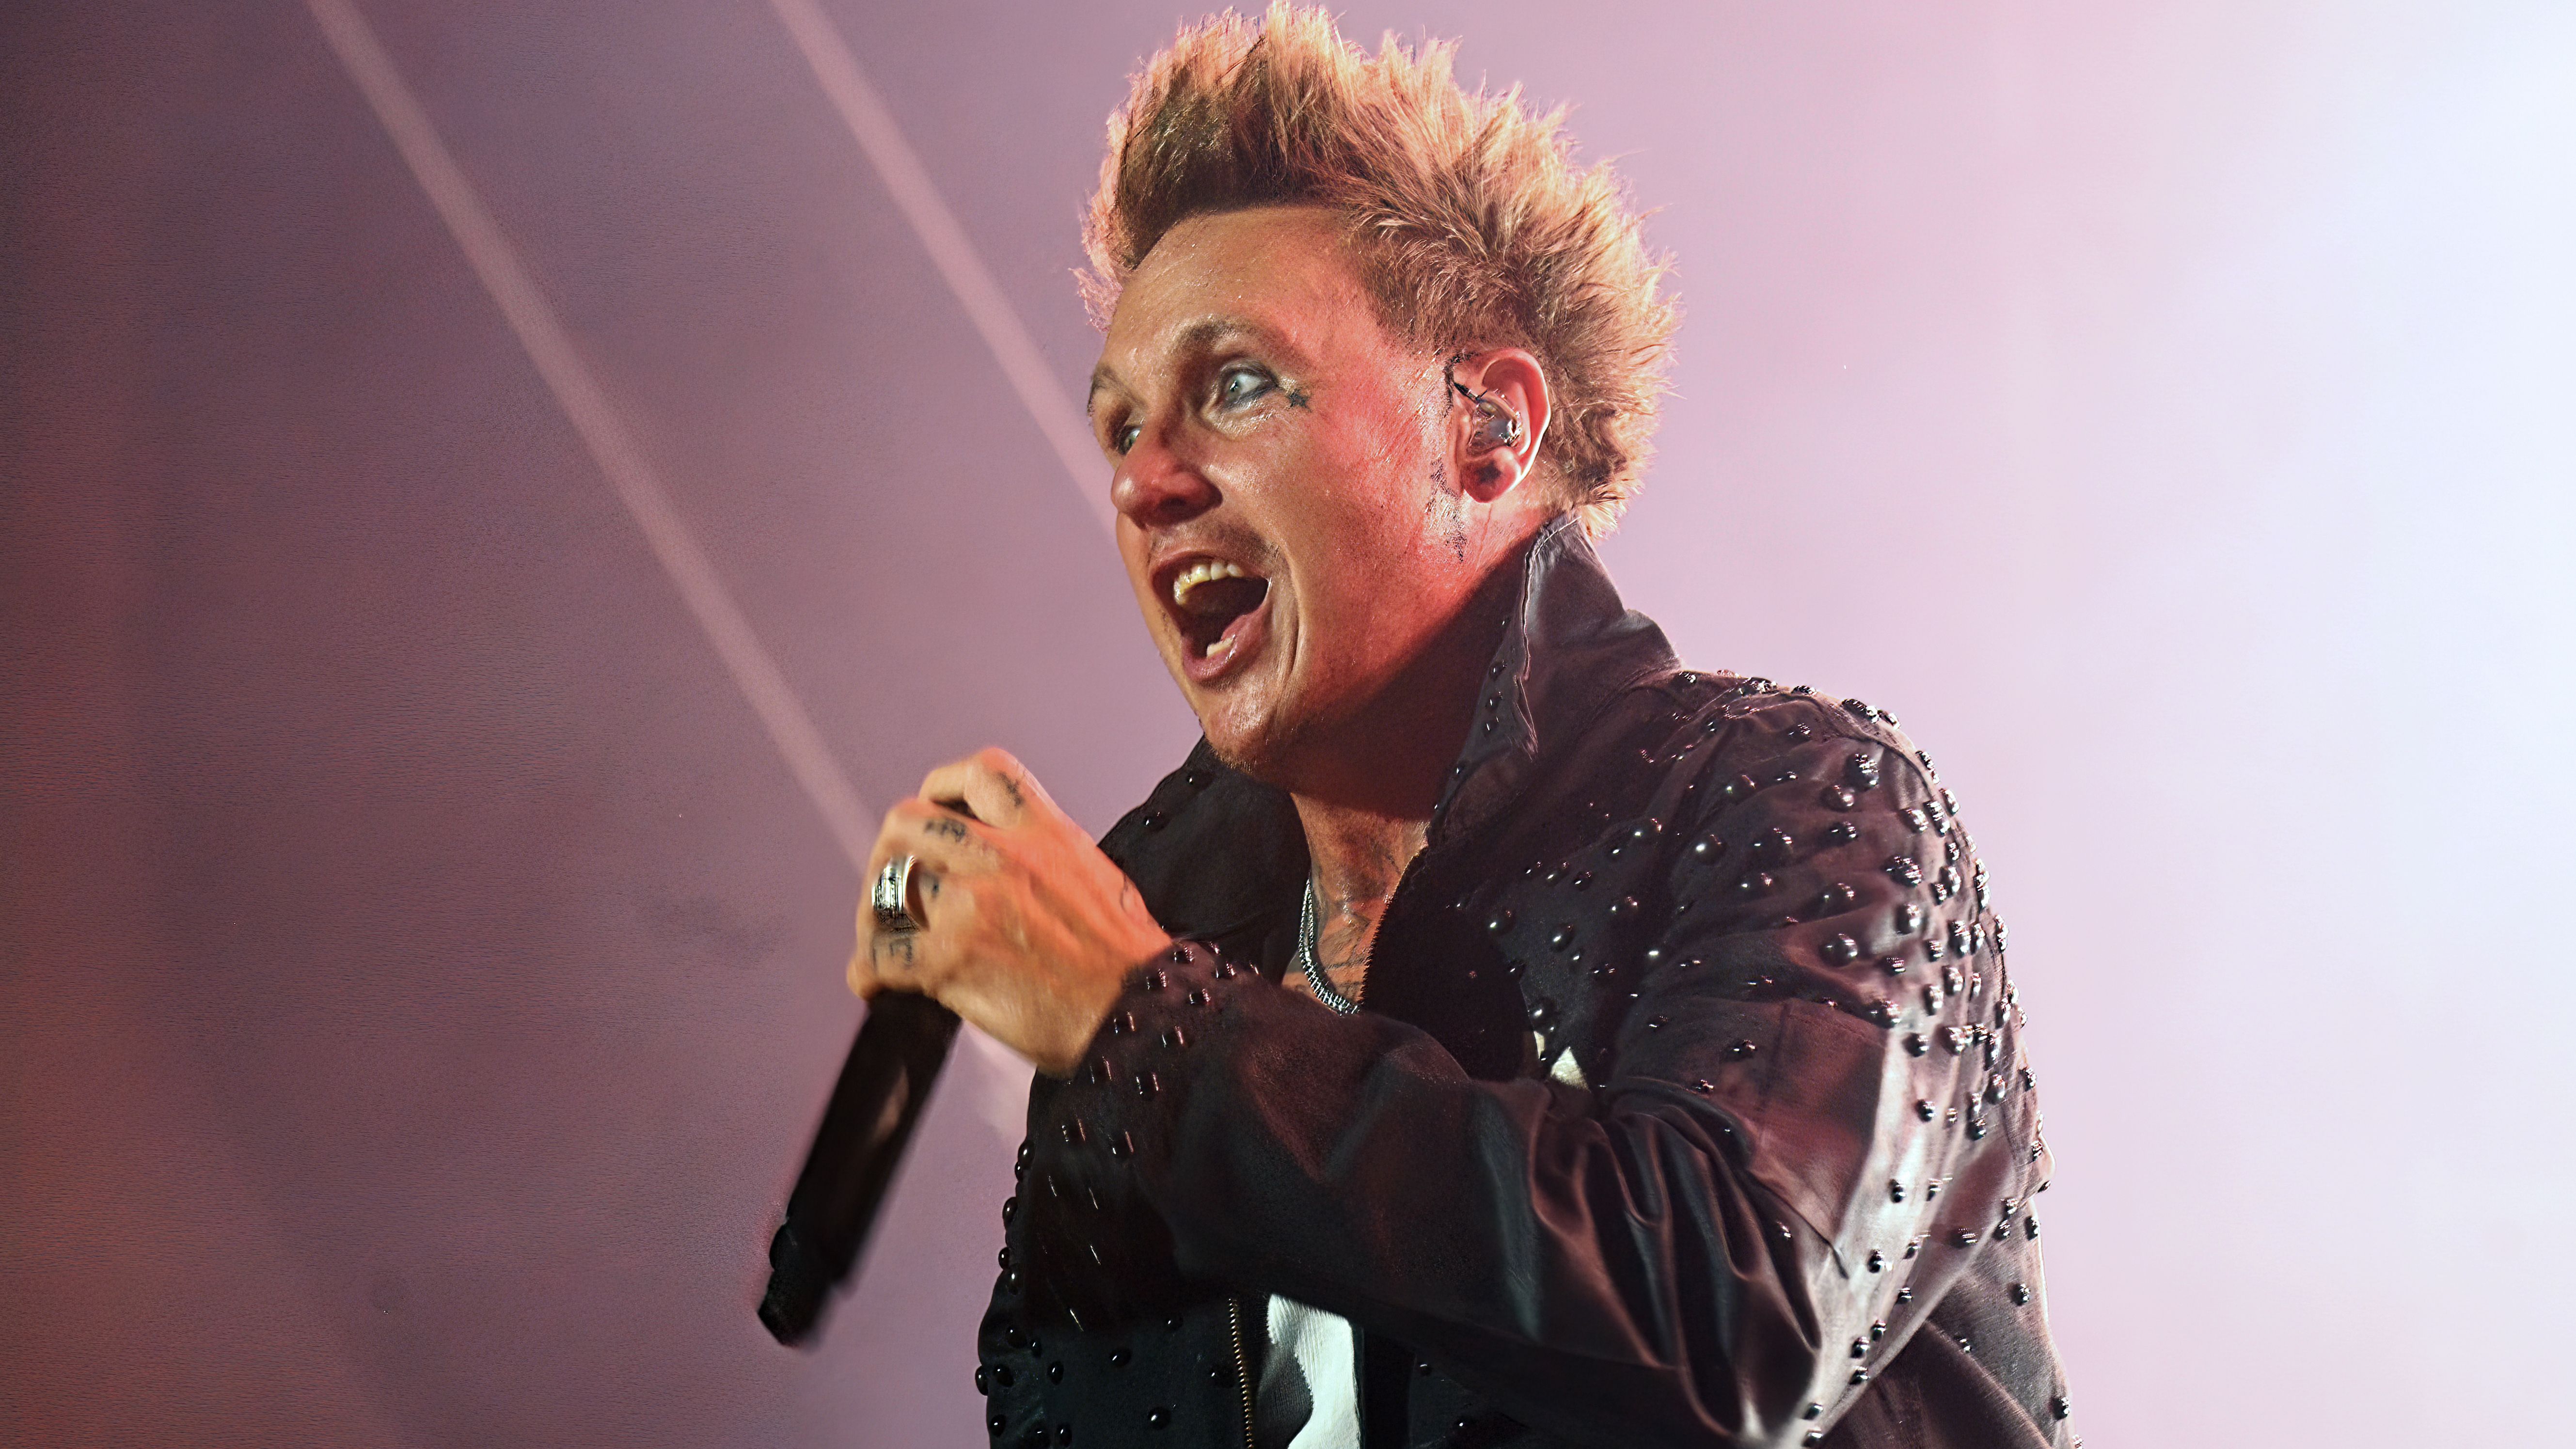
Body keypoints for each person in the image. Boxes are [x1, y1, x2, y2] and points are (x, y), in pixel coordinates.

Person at [844, 8, 2072, 1446]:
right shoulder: (1170, 934)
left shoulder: (1791, 799)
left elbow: (1736, 1314)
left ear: (1488, 431)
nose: (1144, 481)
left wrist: (1136, 1029)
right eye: (1119, 426)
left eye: (1236, 385)